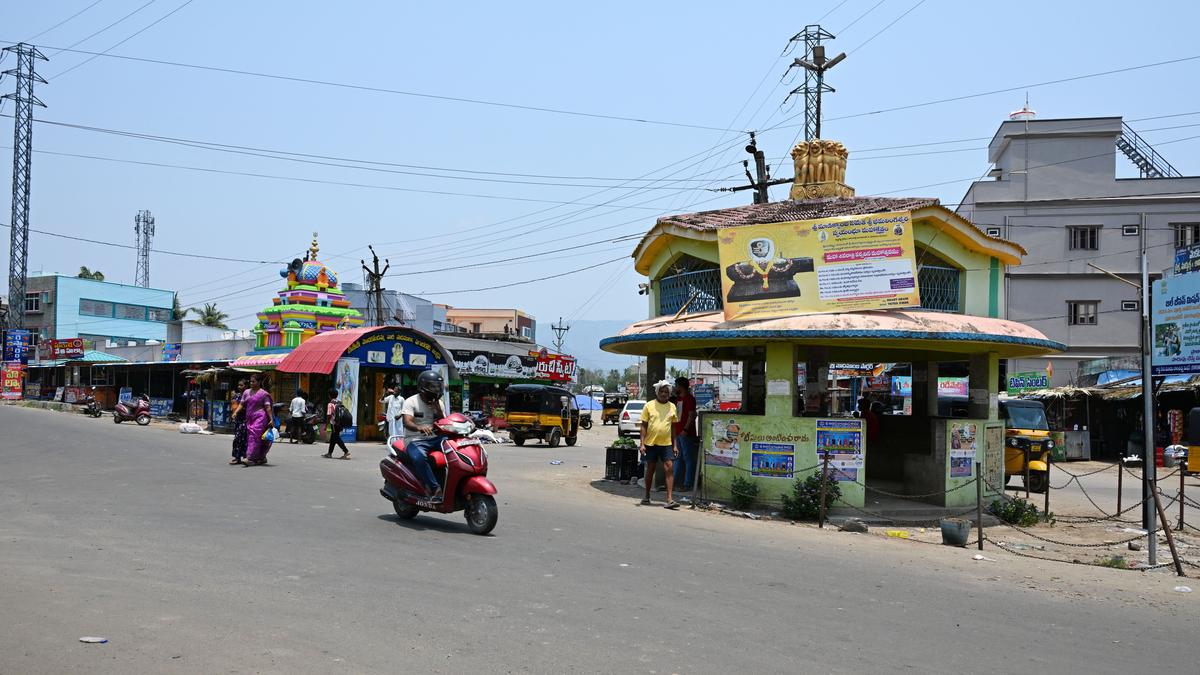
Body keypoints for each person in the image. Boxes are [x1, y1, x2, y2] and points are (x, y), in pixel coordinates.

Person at [401, 370, 447, 501]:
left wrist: (437, 409)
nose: (436, 390)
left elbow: (443, 422)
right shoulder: (411, 401)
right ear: (423, 387)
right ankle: (435, 489)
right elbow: (407, 421)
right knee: (419, 458)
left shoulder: (439, 403)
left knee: (454, 449)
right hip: (415, 439)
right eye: (433, 387)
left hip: (435, 438)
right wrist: (419, 427)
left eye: (438, 386)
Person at [640, 379, 679, 509]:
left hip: (667, 444)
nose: (663, 394)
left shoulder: (672, 407)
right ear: (657, 392)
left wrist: (675, 445)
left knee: (669, 468)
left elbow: (674, 428)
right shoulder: (649, 405)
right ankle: (646, 496)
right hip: (650, 443)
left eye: (666, 392)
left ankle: (669, 499)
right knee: (650, 469)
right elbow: (644, 425)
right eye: (661, 391)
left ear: (669, 393)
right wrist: (642, 444)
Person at [240, 373, 275, 466]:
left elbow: (268, 407)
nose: (251, 383)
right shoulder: (246, 392)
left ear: (259, 382)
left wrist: (271, 419)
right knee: (258, 438)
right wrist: (235, 413)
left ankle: (249, 457)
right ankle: (261, 457)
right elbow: (242, 404)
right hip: (249, 418)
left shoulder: (263, 394)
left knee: (253, 436)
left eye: (253, 381)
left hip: (260, 418)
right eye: (250, 381)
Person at [672, 376, 698, 492]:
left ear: (681, 386)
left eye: (676, 385)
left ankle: (688, 484)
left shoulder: (689, 399)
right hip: (678, 432)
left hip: (686, 433)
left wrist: (686, 430)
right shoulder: (677, 399)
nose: (675, 388)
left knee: (688, 458)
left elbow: (692, 415)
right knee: (678, 458)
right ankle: (674, 482)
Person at [323, 390, 352, 459]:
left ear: (329, 395)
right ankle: (329, 453)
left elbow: (329, 415)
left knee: (336, 437)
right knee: (333, 438)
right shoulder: (339, 402)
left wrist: (327, 425)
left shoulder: (330, 404)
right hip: (340, 423)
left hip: (334, 423)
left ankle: (346, 451)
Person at [229, 380, 248, 465]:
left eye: (241, 385)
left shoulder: (249, 396)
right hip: (238, 420)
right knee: (237, 439)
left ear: (246, 386)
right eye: (238, 385)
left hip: (246, 420)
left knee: (244, 439)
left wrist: (240, 408)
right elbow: (233, 406)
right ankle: (237, 457)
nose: (239, 387)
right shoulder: (237, 396)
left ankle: (245, 457)